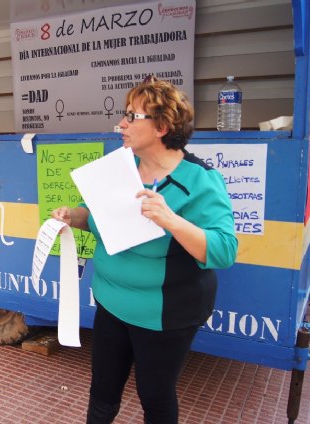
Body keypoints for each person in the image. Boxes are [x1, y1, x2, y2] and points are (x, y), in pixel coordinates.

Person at [52, 76, 238, 424]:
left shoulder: (200, 179)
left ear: (162, 127)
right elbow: (93, 214)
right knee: (102, 390)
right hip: (111, 302)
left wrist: (171, 220)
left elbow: (225, 250)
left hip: (164, 314)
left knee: (155, 395)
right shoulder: (120, 167)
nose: (121, 124)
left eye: (131, 116)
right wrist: (70, 216)